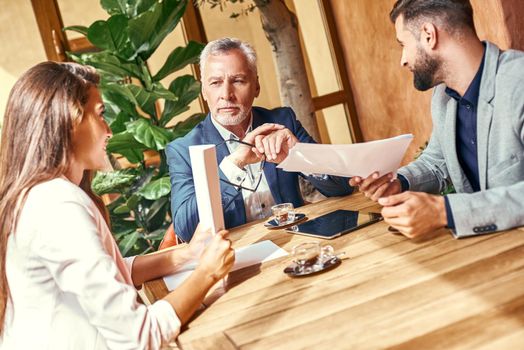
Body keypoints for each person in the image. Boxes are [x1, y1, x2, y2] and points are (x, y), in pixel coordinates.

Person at [0, 62, 235, 349]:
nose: (109, 130)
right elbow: (140, 337)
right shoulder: (57, 206)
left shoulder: (40, 197)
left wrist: (187, 254)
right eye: (101, 115)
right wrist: (207, 273)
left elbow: (110, 270)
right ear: (70, 120)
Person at [350, 0, 524, 238]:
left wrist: (446, 212)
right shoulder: (443, 96)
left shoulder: (518, 82)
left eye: (403, 44)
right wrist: (398, 181)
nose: (402, 60)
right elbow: (437, 162)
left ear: (429, 35)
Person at [166, 37, 353, 242]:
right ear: (203, 91)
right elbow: (185, 229)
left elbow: (343, 186)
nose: (226, 94)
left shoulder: (282, 122)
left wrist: (298, 155)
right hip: (236, 257)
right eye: (216, 83)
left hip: (300, 243)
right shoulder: (183, 150)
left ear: (256, 86)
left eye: (238, 81)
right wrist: (235, 164)